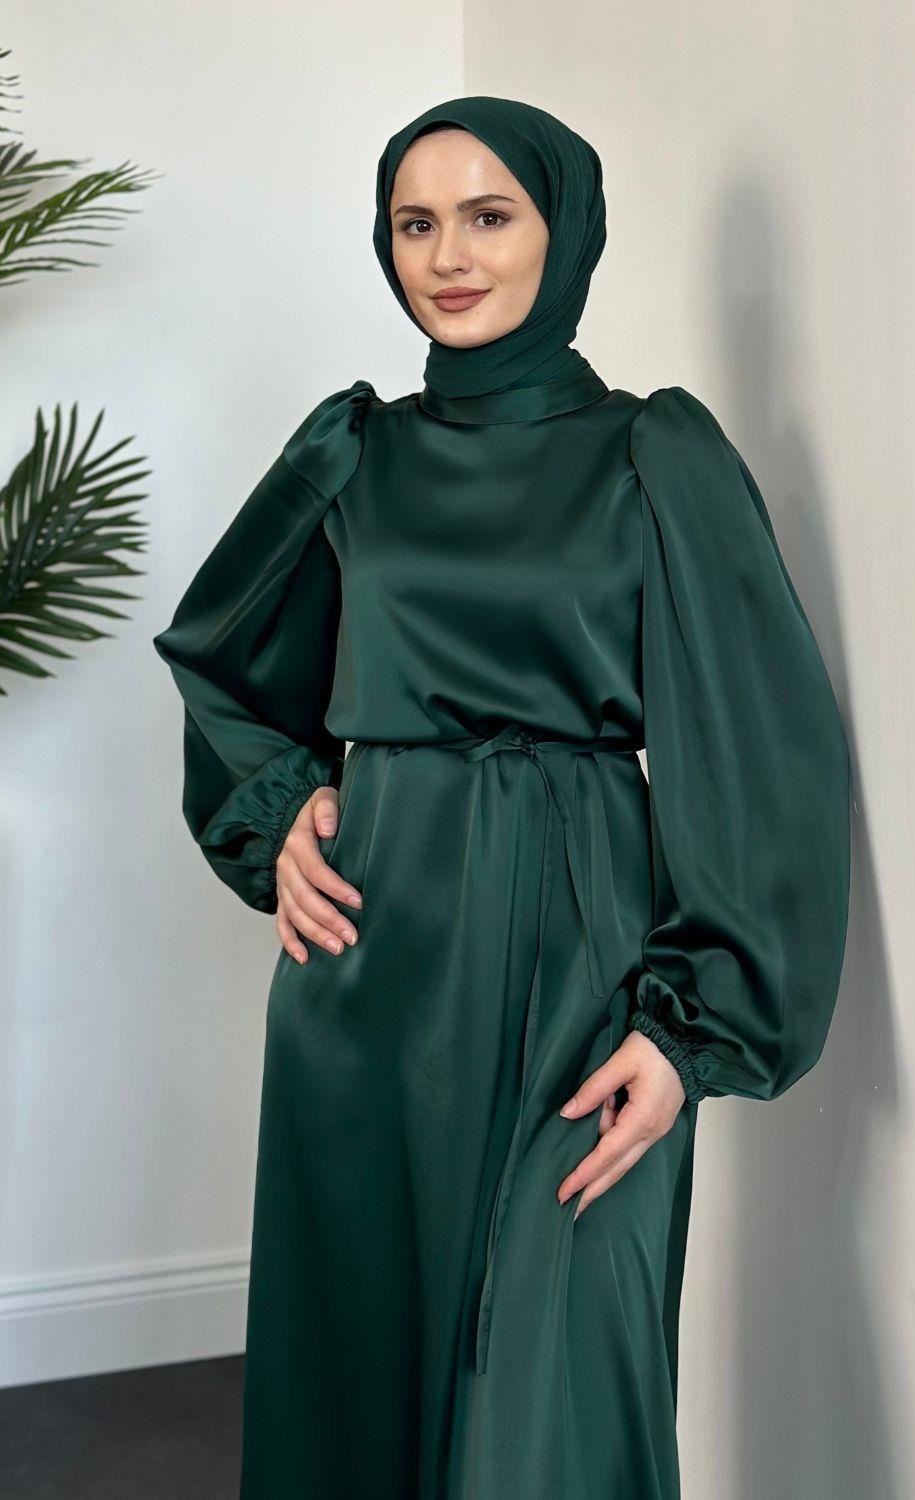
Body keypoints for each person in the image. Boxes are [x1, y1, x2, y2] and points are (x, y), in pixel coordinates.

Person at [153, 94, 851, 1500]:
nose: (449, 257)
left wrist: (692, 1032)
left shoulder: (655, 454)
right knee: (363, 1352)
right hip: (372, 965)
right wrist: (281, 809)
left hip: (585, 959)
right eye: (416, 223)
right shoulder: (354, 454)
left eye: (489, 216)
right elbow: (221, 655)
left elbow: (764, 754)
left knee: (557, 1363)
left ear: (563, 229)